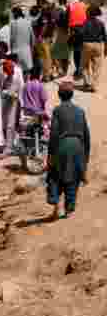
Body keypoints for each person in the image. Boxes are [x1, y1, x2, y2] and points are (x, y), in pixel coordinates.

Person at [46, 81, 91, 220]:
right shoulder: (80, 111)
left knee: (55, 174)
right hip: (78, 147)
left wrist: (50, 155)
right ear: (72, 95)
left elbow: (53, 134)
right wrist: (85, 158)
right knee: (74, 177)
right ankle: (69, 209)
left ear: (59, 95)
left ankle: (55, 204)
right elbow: (86, 135)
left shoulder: (57, 111)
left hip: (61, 145)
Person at [78, 5, 106, 93]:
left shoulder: (86, 22)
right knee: (97, 67)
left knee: (84, 65)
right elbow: (104, 36)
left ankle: (87, 83)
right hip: (99, 45)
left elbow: (81, 34)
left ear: (89, 13)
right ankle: (94, 86)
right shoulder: (101, 23)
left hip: (87, 44)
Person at [1, 55, 23, 153]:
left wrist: (17, 97)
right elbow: (1, 88)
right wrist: (5, 92)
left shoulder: (17, 74)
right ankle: (5, 143)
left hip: (14, 102)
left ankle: (9, 147)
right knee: (4, 123)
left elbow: (21, 88)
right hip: (5, 101)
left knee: (11, 124)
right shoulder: (4, 75)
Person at [20, 70, 49, 139]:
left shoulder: (25, 85)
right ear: (39, 75)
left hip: (27, 113)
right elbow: (44, 99)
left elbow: (22, 98)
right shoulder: (40, 85)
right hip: (38, 114)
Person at [67, 0, 88, 81]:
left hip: (75, 31)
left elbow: (66, 18)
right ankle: (82, 70)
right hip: (85, 30)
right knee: (82, 51)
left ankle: (78, 70)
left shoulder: (70, 7)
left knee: (76, 51)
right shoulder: (84, 5)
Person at [9, 6, 35, 75]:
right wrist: (31, 50)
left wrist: (11, 51)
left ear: (15, 13)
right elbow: (33, 38)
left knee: (18, 74)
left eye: (13, 14)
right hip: (27, 52)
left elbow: (11, 39)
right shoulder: (28, 22)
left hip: (16, 53)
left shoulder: (12, 23)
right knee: (27, 74)